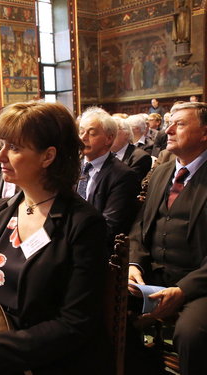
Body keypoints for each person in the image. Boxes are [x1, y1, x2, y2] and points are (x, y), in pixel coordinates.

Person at [0, 101, 109, 375]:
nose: (0, 156)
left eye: (13, 148)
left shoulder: (84, 224)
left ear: (48, 157)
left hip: (41, 357)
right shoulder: (3, 209)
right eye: (1, 145)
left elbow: (75, 322)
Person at [128, 101, 207, 375]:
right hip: (152, 277)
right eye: (169, 122)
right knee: (101, 308)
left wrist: (184, 289)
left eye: (180, 124)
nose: (168, 129)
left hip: (199, 285)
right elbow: (139, 227)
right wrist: (134, 265)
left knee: (191, 333)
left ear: (205, 133)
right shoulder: (162, 172)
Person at [78, 107, 140, 244]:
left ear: (109, 138)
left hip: (95, 247)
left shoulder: (123, 176)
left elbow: (110, 226)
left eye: (91, 133)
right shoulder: (71, 167)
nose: (83, 138)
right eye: (81, 132)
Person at [111, 117, 151, 182]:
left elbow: (128, 184)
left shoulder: (141, 157)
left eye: (113, 131)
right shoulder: (102, 153)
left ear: (126, 134)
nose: (108, 136)